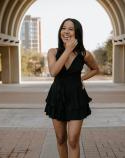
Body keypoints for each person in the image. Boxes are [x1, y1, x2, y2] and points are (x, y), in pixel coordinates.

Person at [44, 18, 99, 158]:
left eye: (70, 29)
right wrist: (67, 50)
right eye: (64, 28)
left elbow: (95, 69)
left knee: (73, 140)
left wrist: (80, 79)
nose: (66, 31)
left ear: (77, 33)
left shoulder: (84, 54)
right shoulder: (52, 52)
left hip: (76, 97)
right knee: (61, 138)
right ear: (60, 31)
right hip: (57, 96)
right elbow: (53, 72)